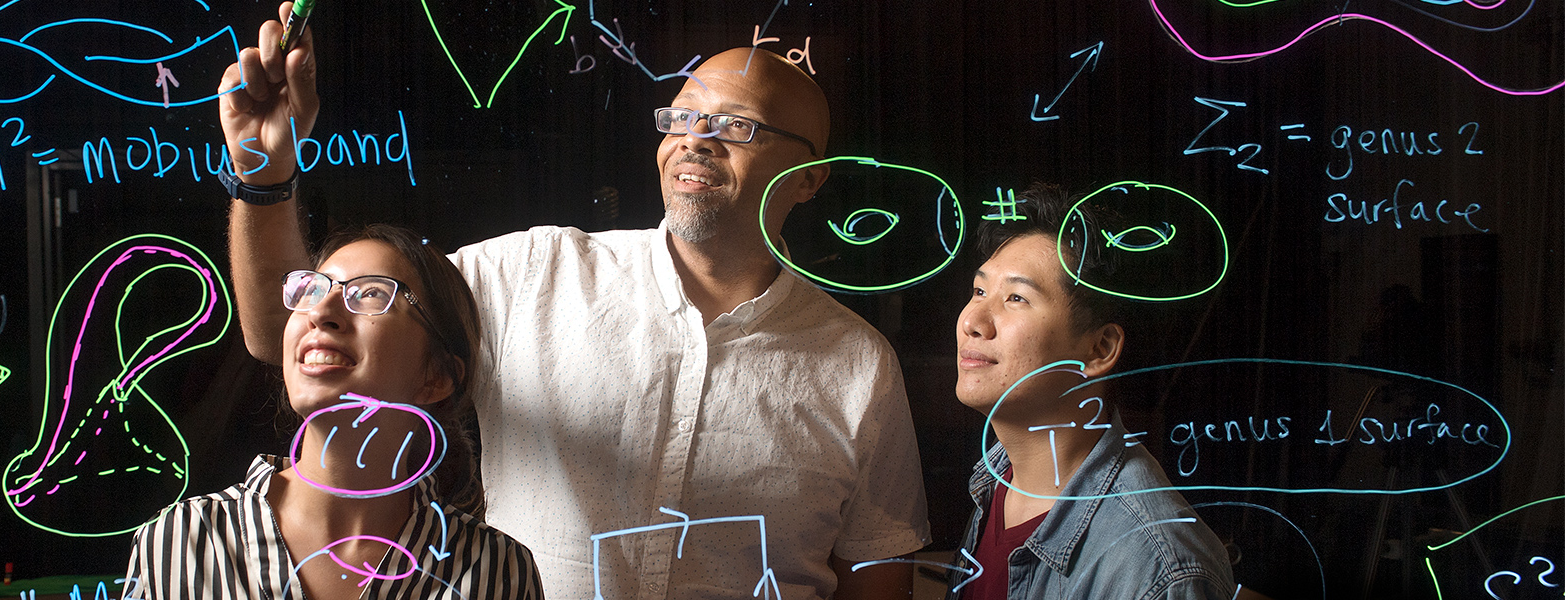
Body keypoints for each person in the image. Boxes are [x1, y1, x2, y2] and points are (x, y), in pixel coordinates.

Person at [212, 5, 930, 599]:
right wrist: (264, 173)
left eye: (736, 126)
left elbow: (877, 568)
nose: (694, 142)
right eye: (679, 119)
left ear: (809, 177)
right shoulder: (534, 270)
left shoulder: (859, 364)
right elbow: (281, 329)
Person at [124, 225, 544, 600]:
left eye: (371, 293)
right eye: (312, 290)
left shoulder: (495, 572)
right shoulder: (182, 541)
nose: (321, 312)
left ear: (437, 376)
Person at [946, 184, 1234, 599]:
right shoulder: (994, 483)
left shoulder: (1157, 568)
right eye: (979, 291)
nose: (973, 321)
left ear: (1100, 349)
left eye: (1016, 298)